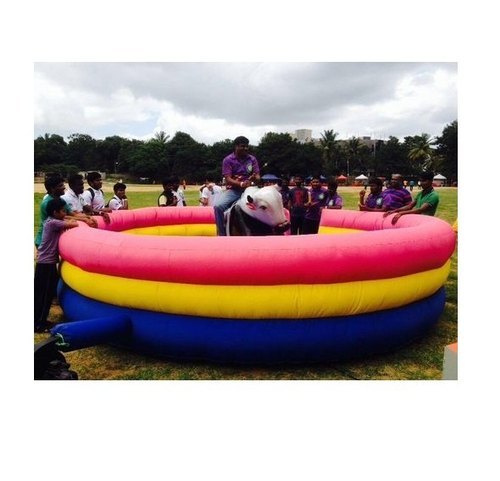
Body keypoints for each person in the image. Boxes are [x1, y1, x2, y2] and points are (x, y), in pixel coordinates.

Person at [34, 198, 79, 332]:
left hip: (45, 263)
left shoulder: (51, 221)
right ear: (55, 212)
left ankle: (40, 320)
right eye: (63, 211)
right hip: (46, 264)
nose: (65, 212)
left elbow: (68, 220)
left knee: (43, 293)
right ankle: (38, 324)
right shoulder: (53, 223)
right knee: (44, 294)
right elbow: (74, 224)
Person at [214, 136, 260, 236]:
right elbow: (228, 179)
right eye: (242, 146)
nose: (245, 149)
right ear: (236, 146)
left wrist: (254, 179)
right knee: (218, 207)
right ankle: (221, 235)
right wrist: (241, 184)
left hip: (250, 190)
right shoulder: (228, 160)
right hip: (235, 191)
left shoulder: (252, 159)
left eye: (247, 146)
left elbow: (258, 176)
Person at [35, 175, 96, 249]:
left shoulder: (61, 200)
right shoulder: (47, 203)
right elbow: (64, 217)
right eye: (60, 186)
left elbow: (73, 214)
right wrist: (84, 219)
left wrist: (88, 217)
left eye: (63, 185)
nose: (64, 187)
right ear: (52, 188)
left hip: (55, 237)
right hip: (44, 240)